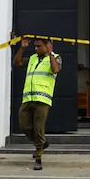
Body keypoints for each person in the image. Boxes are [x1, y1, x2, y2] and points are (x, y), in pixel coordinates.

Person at [13, 36, 62, 171]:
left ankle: (38, 157)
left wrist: (51, 53)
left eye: (38, 46)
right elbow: (17, 62)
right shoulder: (32, 58)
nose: (35, 49)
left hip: (42, 99)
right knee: (24, 126)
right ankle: (42, 143)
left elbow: (56, 70)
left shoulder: (56, 57)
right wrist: (22, 48)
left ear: (47, 46)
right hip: (28, 98)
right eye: (34, 46)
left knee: (38, 128)